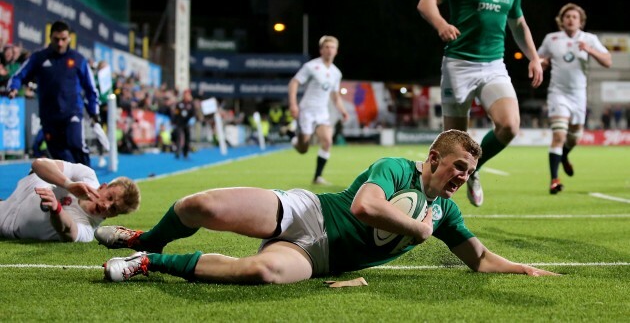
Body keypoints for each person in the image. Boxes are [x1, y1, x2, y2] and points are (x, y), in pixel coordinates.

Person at [94, 129, 559, 284]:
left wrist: (523, 269)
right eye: (458, 167)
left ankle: (148, 261)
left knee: (262, 274)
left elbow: (478, 259)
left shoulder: (447, 215)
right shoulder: (396, 168)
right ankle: (147, 236)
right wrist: (417, 231)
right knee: (201, 205)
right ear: (435, 158)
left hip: (317, 258)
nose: (462, 178)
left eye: (469, 174)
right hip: (307, 212)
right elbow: (364, 206)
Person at [417, 0, 543, 207]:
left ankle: (475, 170)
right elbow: (427, 2)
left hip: (493, 66)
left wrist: (534, 57)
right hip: (458, 65)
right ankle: (427, 203)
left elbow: (518, 24)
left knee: (509, 125)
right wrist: (441, 24)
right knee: (453, 146)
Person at [537, 3, 612, 194]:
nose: (570, 19)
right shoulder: (551, 39)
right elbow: (539, 61)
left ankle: (563, 156)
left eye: (574, 17)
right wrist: (542, 64)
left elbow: (608, 61)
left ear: (581, 21)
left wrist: (590, 50)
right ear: (561, 20)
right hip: (558, 93)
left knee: (575, 137)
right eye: (567, 16)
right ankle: (554, 179)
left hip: (579, 95)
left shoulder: (589, 39)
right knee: (559, 136)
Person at [7, 20, 101, 167]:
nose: (60, 43)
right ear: (50, 37)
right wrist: (13, 87)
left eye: (64, 39)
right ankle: (71, 186)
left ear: (69, 38)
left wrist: (94, 111)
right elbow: (19, 75)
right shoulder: (39, 58)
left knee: (76, 144)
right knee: (61, 157)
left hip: (72, 112)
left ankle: (90, 182)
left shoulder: (78, 59)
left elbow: (91, 88)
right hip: (49, 117)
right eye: (57, 39)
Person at [0, 158, 140, 243]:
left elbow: (68, 231)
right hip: (27, 188)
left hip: (7, 222)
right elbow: (38, 164)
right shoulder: (86, 175)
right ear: (103, 186)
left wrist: (57, 209)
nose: (106, 206)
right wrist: (68, 184)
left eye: (114, 209)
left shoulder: (88, 231)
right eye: (110, 197)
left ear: (114, 216)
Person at [287, 35, 350, 185]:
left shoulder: (336, 73)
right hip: (307, 110)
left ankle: (317, 177)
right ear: (321, 50)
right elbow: (294, 82)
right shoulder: (311, 66)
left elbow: (335, 96)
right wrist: (293, 104)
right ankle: (293, 138)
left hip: (322, 112)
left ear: (337, 51)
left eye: (332, 47)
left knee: (327, 141)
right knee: (303, 149)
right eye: (326, 47)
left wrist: (343, 111)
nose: (329, 50)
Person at [171, 89, 198, 159]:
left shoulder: (191, 104)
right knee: (179, 137)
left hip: (187, 124)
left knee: (187, 139)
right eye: (186, 94)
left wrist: (193, 119)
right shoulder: (179, 104)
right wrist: (173, 122)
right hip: (179, 123)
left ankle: (185, 153)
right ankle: (177, 152)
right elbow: (176, 114)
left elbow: (194, 113)